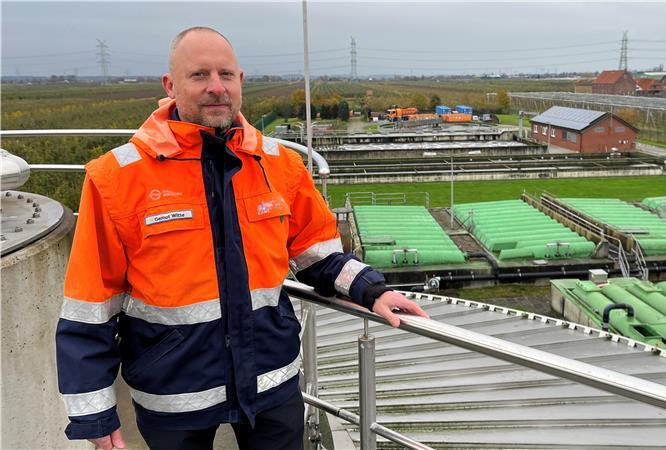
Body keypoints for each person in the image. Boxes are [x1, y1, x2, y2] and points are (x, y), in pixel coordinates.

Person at [55, 26, 428, 450]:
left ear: (241, 81)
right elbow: (90, 301)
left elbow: (317, 253)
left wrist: (368, 289)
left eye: (226, 75)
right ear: (170, 85)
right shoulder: (116, 178)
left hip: (271, 378)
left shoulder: (280, 165)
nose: (216, 88)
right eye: (199, 76)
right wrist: (94, 411)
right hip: (174, 390)